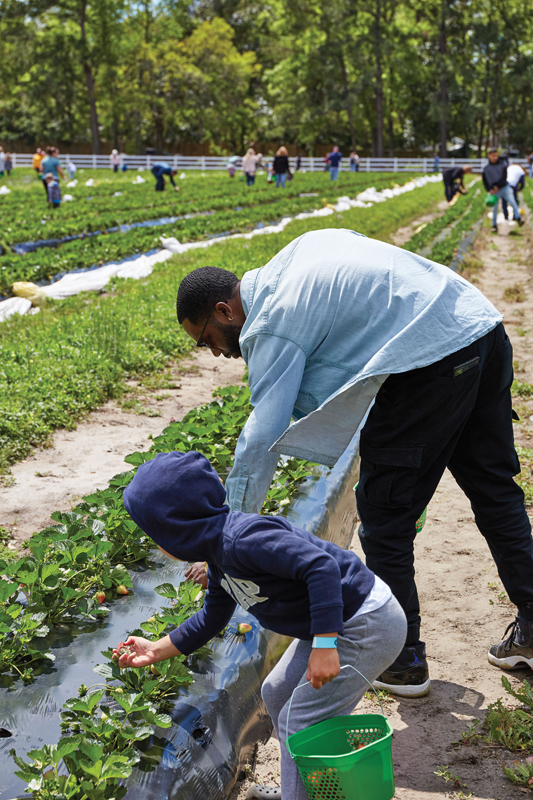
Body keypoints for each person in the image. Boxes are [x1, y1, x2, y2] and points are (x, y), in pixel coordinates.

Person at [175, 228, 533, 698]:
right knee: (495, 492)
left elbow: (260, 440)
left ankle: (402, 662)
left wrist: (223, 540)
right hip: (476, 327)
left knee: (385, 519)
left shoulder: (270, 322)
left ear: (225, 311)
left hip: (428, 362)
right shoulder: (296, 254)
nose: (217, 353)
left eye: (208, 340)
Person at [113, 449, 407, 800]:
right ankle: (297, 790)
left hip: (365, 624)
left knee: (299, 721)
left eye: (154, 532)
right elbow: (211, 619)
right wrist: (156, 649)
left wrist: (325, 645)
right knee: (277, 693)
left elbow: (321, 567)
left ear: (174, 528)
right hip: (340, 624)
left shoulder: (244, 540)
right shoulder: (218, 560)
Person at [483, 147, 524, 233]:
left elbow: (504, 177)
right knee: (494, 208)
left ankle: (518, 218)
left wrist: (497, 186)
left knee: (512, 201)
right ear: (489, 156)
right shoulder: (486, 169)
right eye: (493, 156)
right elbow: (485, 181)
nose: (495, 157)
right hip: (494, 191)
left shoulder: (502, 165)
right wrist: (489, 189)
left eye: (496, 155)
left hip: (504, 187)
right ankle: (494, 225)